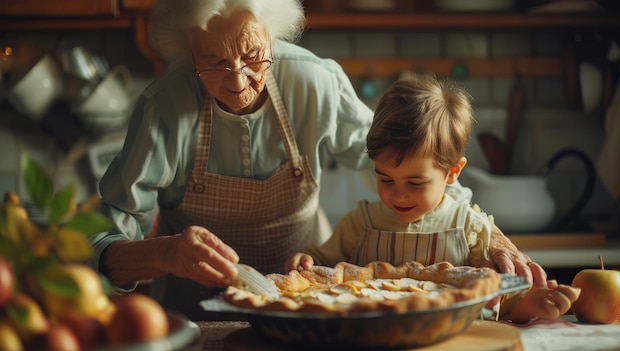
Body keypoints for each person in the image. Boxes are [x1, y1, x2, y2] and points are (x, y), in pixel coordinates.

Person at [87, 0, 546, 318]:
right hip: (197, 315)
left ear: (274, 35)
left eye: (253, 56)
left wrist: (492, 239)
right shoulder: (162, 107)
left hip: (314, 311)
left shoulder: (314, 81)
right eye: (213, 62)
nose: (238, 82)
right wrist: (166, 252)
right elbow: (101, 241)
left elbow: (411, 164)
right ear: (187, 52)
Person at [285, 74, 579, 323]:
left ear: (452, 172)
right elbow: (320, 273)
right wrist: (306, 261)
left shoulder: (470, 228)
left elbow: (501, 303)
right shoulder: (359, 224)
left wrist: (533, 303)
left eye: (415, 182)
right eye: (385, 178)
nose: (398, 194)